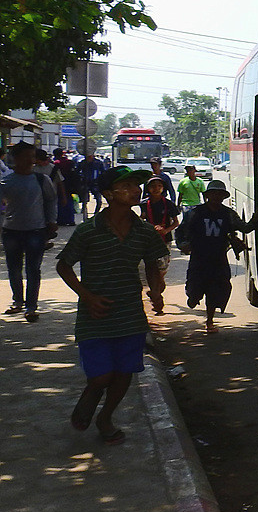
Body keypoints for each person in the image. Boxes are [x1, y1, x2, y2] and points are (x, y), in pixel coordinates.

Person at [56, 166, 167, 445]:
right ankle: (92, 392)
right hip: (95, 314)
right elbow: (64, 265)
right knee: (101, 375)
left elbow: (154, 263)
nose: (135, 190)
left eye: (136, 185)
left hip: (130, 314)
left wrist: (156, 290)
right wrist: (87, 296)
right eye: (127, 185)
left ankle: (106, 417)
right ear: (108, 194)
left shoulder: (144, 232)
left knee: (124, 371)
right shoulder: (88, 231)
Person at [175, 180, 258, 333]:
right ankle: (193, 298)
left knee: (217, 289)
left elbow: (245, 228)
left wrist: (256, 218)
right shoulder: (195, 213)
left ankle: (210, 320)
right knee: (194, 287)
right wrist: (183, 244)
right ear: (207, 196)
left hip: (218, 258)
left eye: (220, 194)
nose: (216, 197)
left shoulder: (228, 214)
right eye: (214, 194)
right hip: (199, 258)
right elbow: (180, 231)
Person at [1, 142, 59, 321]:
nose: (30, 160)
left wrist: (52, 221)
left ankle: (31, 306)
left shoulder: (42, 180)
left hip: (36, 230)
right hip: (11, 230)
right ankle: (18, 301)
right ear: (16, 158)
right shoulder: (6, 181)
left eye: (32, 156)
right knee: (14, 268)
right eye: (26, 156)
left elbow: (51, 201)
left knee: (33, 269)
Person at [139, 176, 181, 309]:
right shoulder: (144, 204)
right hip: (149, 241)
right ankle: (157, 298)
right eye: (152, 186)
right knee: (151, 268)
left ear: (163, 188)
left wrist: (166, 230)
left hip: (165, 241)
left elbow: (176, 222)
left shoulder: (168, 204)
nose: (156, 189)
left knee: (161, 271)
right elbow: (142, 218)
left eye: (159, 186)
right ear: (148, 189)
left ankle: (157, 292)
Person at [52, 148, 82, 225]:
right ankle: (70, 220)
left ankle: (61, 220)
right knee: (69, 202)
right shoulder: (69, 162)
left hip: (59, 185)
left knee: (60, 202)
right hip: (70, 185)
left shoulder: (56, 163)